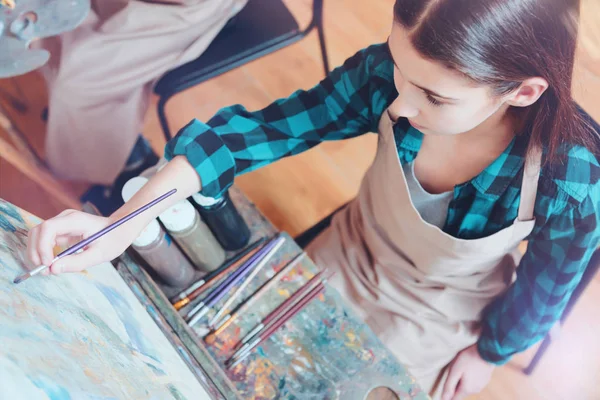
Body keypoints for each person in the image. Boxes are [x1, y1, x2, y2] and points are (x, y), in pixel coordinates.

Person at [27, 0, 600, 399]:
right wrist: (124, 225)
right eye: (400, 72)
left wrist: (490, 355)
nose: (400, 107)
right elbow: (251, 135)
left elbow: (546, 288)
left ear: (522, 92)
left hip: (443, 313)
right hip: (349, 248)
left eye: (433, 97)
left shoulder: (568, 179)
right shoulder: (387, 79)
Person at [34, 0, 247, 215]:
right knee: (45, 23)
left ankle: (115, 155)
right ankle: (90, 133)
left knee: (77, 82)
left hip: (179, 7)